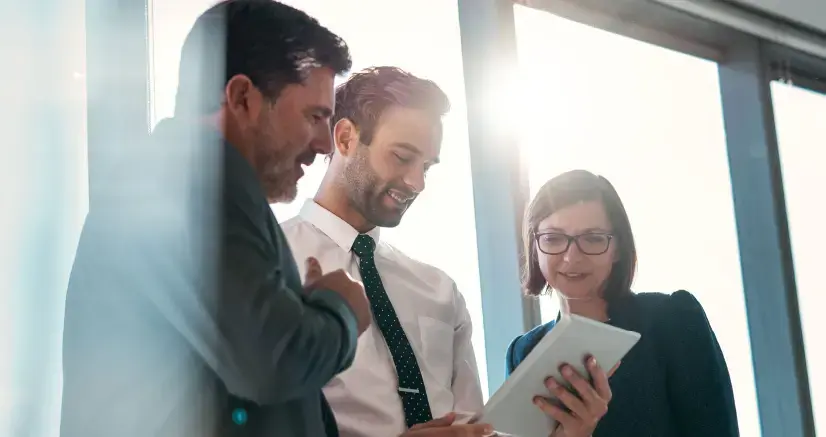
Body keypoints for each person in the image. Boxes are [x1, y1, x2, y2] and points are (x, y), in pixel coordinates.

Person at [60, 1, 371, 437]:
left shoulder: (179, 179)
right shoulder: (190, 177)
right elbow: (271, 360)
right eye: (314, 116)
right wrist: (342, 309)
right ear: (243, 97)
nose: (324, 144)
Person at [280, 67, 610, 437]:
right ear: (344, 138)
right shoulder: (270, 267)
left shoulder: (438, 289)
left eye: (426, 166)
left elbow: (477, 428)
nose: (416, 182)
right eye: (402, 157)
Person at [507, 169, 739, 437]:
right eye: (553, 238)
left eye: (592, 238)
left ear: (618, 248)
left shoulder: (672, 321)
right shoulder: (525, 352)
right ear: (534, 246)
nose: (571, 257)